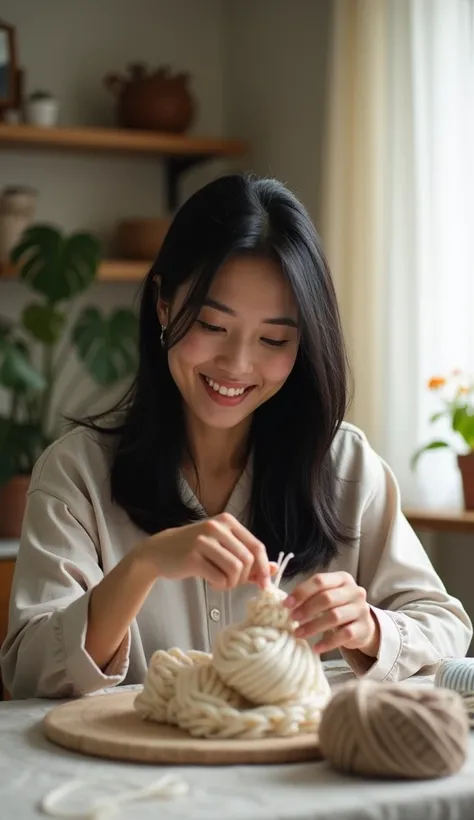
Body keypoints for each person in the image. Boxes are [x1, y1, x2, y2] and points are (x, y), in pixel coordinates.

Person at [1, 174, 471, 700]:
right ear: (163, 305)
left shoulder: (344, 465)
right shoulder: (76, 474)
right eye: (211, 325)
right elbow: (28, 670)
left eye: (273, 338)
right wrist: (143, 566)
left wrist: (368, 628)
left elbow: (445, 627)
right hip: (139, 779)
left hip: (301, 775)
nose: (238, 365)